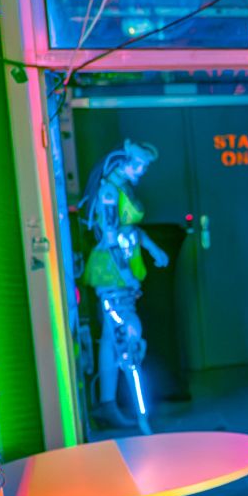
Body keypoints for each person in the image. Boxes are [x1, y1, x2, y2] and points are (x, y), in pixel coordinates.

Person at [80, 140, 168, 433]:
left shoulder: (121, 189)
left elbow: (130, 229)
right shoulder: (109, 192)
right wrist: (126, 274)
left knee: (112, 338)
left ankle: (109, 405)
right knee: (128, 338)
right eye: (138, 165)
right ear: (123, 161)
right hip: (114, 275)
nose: (142, 171)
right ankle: (139, 414)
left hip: (122, 272)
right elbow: (110, 238)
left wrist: (153, 249)